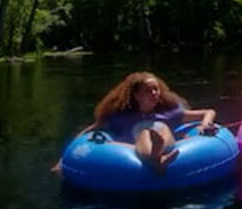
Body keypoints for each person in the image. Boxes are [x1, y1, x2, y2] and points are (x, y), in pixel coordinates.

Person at [51, 72, 218, 177]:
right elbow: (91, 131)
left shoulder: (168, 114)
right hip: (131, 148)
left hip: (165, 140)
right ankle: (155, 158)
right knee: (145, 132)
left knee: (159, 128)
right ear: (137, 95)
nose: (154, 93)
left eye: (156, 89)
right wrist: (63, 160)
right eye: (148, 90)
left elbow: (207, 112)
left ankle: (156, 154)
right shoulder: (121, 117)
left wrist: (204, 125)